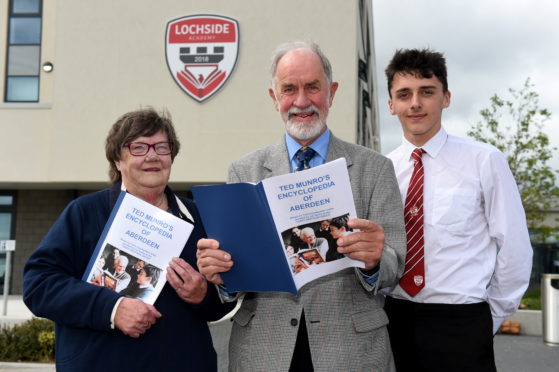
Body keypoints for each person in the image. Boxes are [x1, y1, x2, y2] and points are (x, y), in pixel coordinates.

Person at [196, 41, 406, 371]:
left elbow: (396, 265)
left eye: (312, 87)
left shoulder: (375, 168)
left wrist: (376, 260)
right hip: (264, 351)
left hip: (350, 352)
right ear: (274, 98)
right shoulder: (244, 171)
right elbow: (234, 280)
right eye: (289, 89)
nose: (302, 101)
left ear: (332, 92)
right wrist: (221, 272)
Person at [23, 108, 234, 371]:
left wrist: (203, 295)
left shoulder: (199, 217)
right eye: (138, 148)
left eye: (162, 147)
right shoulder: (84, 213)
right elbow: (39, 285)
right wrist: (112, 309)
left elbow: (221, 304)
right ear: (117, 161)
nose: (153, 156)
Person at [382, 48, 533, 372]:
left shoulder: (484, 160)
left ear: (446, 98)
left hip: (462, 324)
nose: (415, 104)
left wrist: (489, 317)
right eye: (404, 94)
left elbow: (515, 247)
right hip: (394, 320)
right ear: (391, 104)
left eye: (427, 92)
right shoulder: (384, 170)